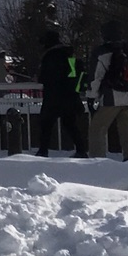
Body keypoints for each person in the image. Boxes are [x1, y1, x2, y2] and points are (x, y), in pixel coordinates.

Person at [87, 22, 128, 163]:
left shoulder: (102, 53)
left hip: (112, 97)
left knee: (97, 128)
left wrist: (91, 97)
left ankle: (97, 160)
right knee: (127, 129)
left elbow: (96, 76)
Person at [34, 27, 88, 158]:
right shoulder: (68, 54)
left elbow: (46, 77)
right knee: (70, 124)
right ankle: (81, 150)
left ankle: (43, 151)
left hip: (53, 96)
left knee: (46, 124)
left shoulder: (50, 56)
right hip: (70, 96)